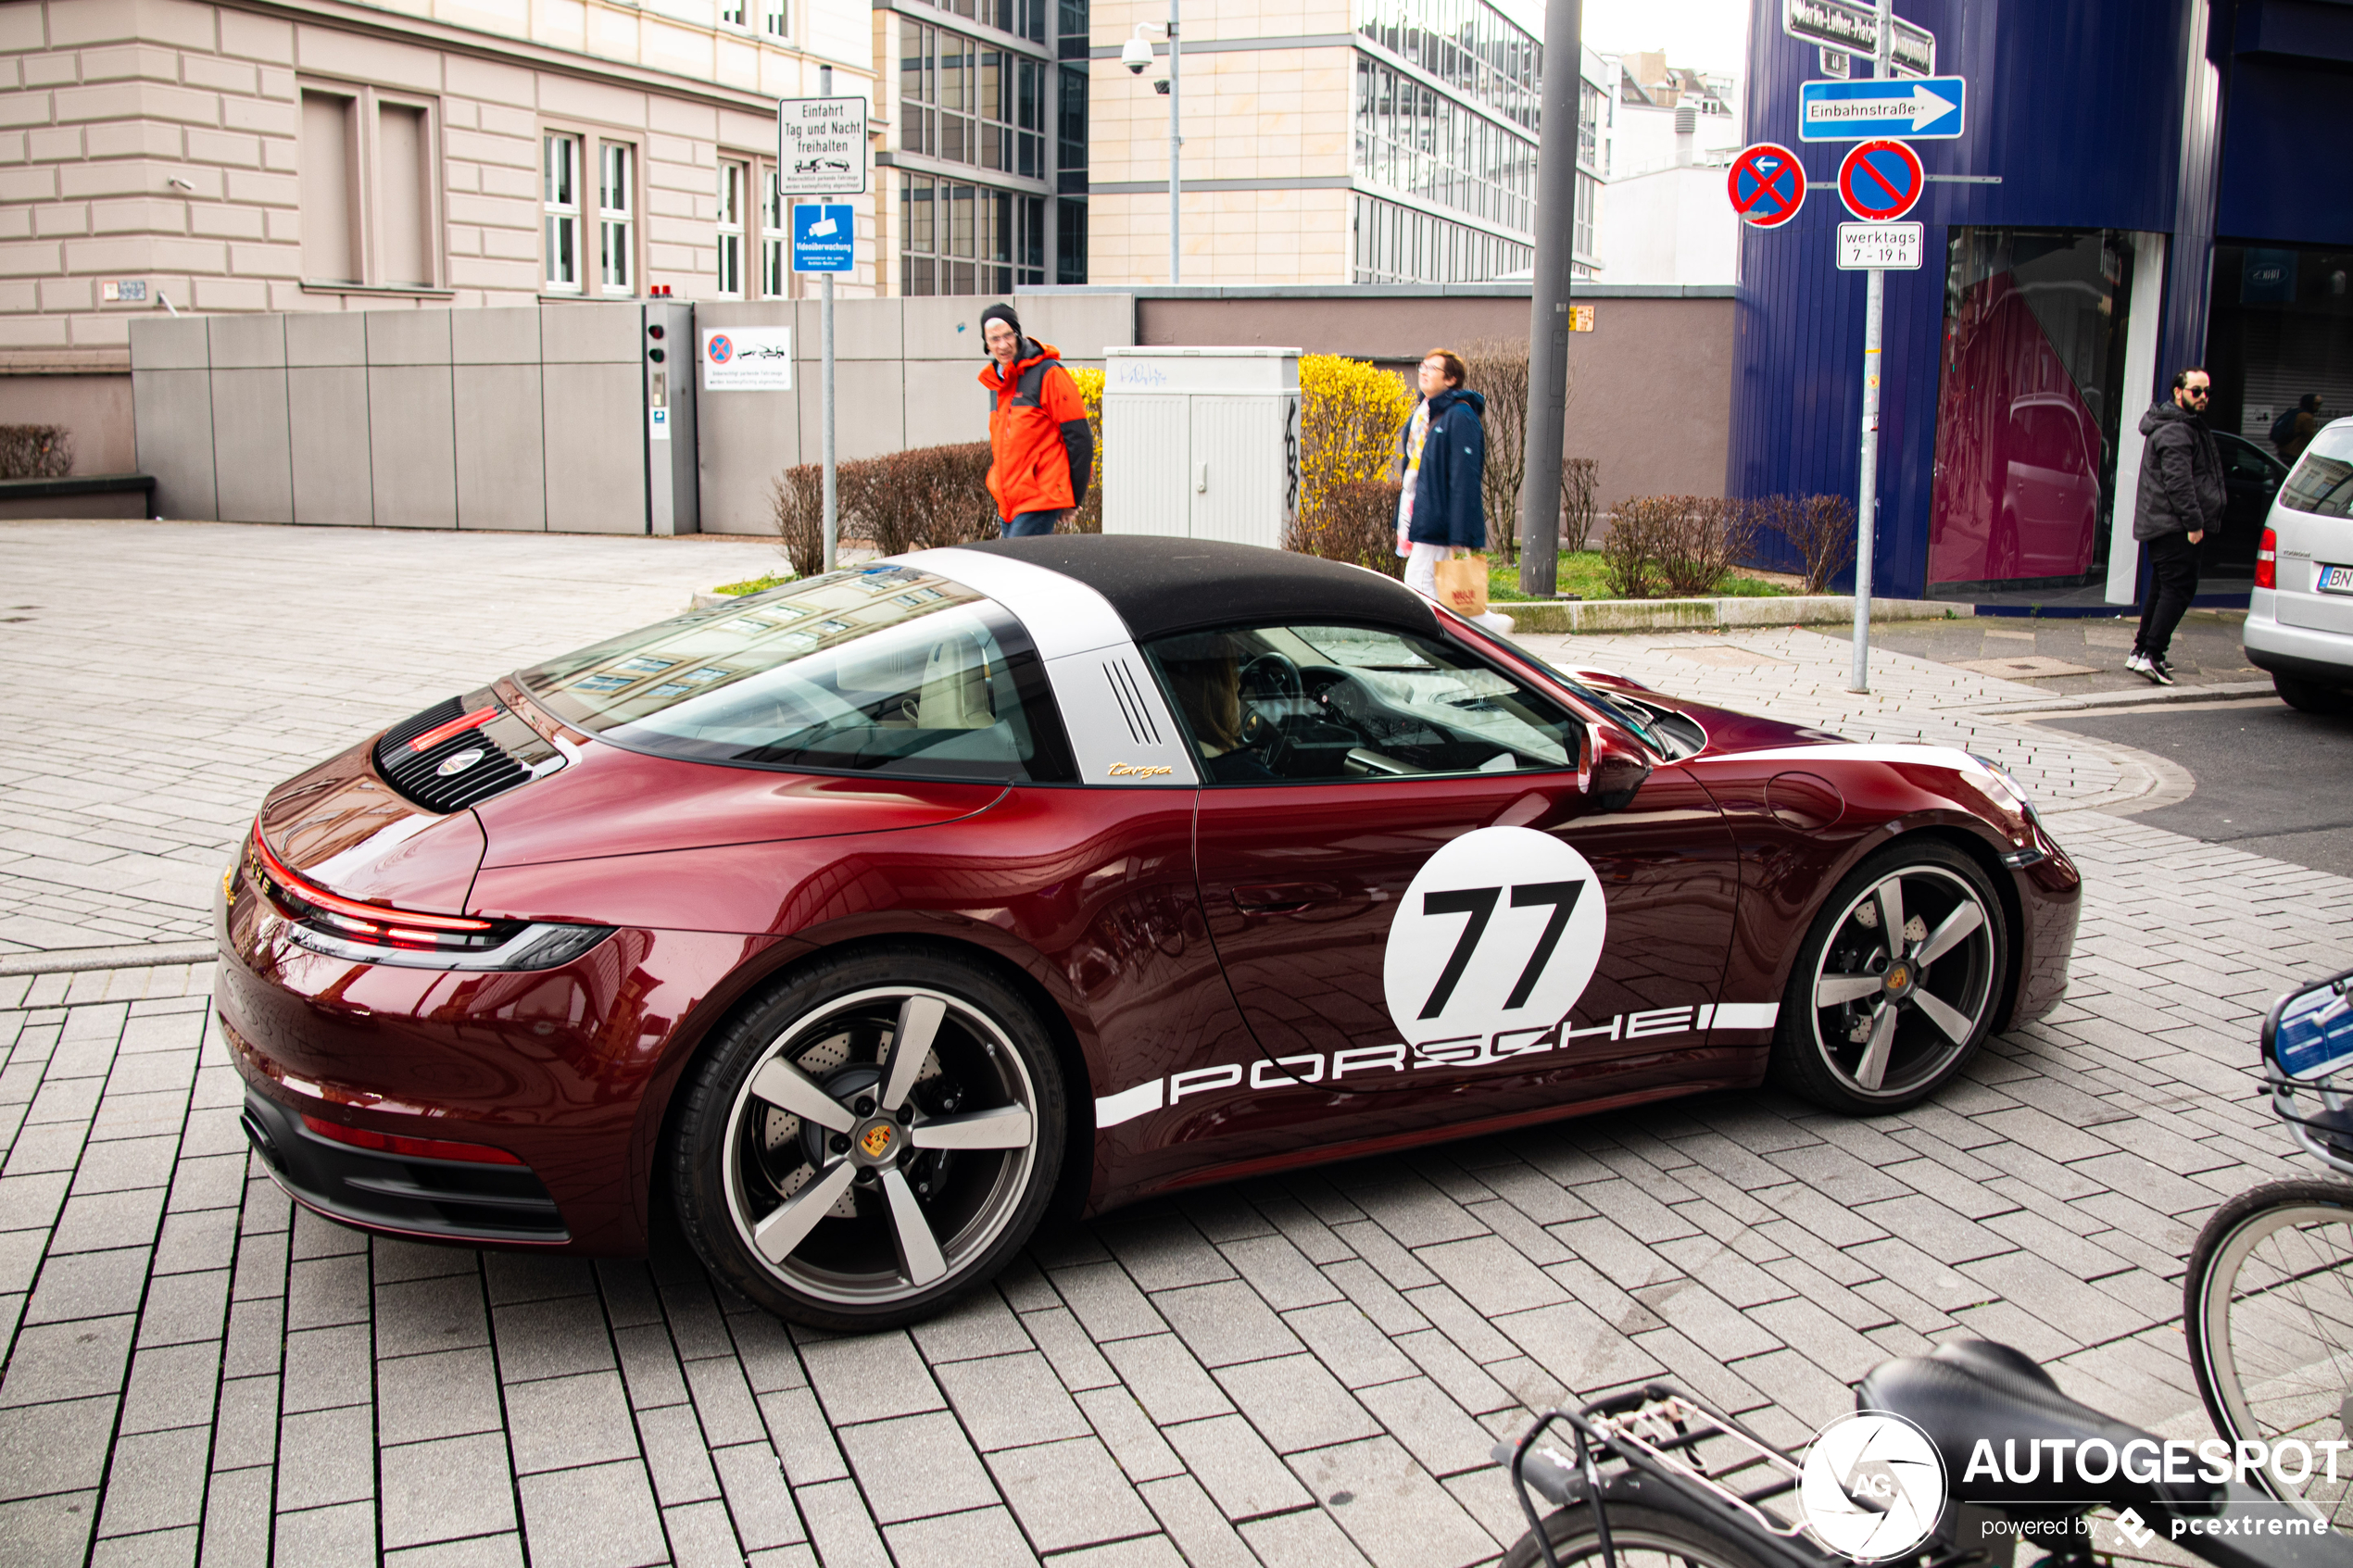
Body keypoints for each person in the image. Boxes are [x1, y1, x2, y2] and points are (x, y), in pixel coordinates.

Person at [2129, 368, 2226, 686]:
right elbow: (2179, 484)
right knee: (2179, 588)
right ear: (2177, 392)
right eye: (2196, 391)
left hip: (2166, 524)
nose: (2203, 398)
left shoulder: (2180, 425)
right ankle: (2153, 656)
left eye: (2207, 392)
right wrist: (2194, 523)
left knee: (2162, 587)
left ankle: (2142, 650)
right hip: (2175, 526)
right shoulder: (2175, 431)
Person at [978, 303, 1092, 537]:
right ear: (986, 345)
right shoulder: (997, 384)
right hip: (1008, 503)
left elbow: (1080, 438)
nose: (1003, 344)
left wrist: (1073, 499)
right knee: (1024, 570)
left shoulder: (1048, 373)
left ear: (1018, 334)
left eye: (1008, 335)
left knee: (1017, 571)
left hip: (1039, 498)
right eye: (994, 339)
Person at [1396, 348, 1486, 601]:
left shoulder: (1460, 416)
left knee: (1419, 582)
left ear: (1451, 379)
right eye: (1422, 367)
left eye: (1432, 369)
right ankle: (1483, 627)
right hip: (1423, 513)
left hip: (1440, 518)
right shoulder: (1424, 415)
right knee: (1437, 590)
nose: (1423, 372)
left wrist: (1461, 533)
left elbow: (1464, 477)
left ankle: (1486, 627)